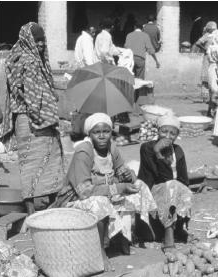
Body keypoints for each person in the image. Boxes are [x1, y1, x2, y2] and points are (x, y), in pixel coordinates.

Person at [52, 113, 157, 272]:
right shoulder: (83, 152)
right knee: (99, 203)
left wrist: (129, 176)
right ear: (89, 134)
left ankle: (124, 239)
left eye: (106, 132)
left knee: (140, 186)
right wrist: (120, 187)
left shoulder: (111, 147)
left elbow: (122, 173)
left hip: (105, 191)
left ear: (111, 132)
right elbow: (85, 192)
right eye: (97, 132)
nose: (102, 136)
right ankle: (100, 251)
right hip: (76, 199)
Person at [1, 22, 64, 215]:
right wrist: (46, 114)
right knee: (39, 163)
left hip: (27, 119)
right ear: (28, 40)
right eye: (37, 41)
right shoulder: (29, 61)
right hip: (34, 120)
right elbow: (32, 96)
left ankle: (39, 206)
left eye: (42, 40)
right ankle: (39, 207)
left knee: (32, 163)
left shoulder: (16, 57)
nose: (41, 45)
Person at [137, 115, 192, 247]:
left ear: (177, 135)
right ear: (158, 131)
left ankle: (178, 228)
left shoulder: (178, 151)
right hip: (152, 191)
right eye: (164, 131)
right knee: (171, 186)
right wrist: (158, 153)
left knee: (182, 189)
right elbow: (162, 177)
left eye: (172, 133)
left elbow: (183, 179)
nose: (167, 136)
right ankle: (169, 239)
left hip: (172, 193)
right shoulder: (147, 148)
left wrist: (184, 195)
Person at [195, 21, 218, 111]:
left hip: (213, 58)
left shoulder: (215, 36)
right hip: (207, 58)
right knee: (206, 77)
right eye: (214, 28)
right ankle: (206, 98)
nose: (215, 29)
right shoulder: (207, 35)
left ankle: (212, 96)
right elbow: (198, 43)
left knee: (213, 76)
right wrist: (205, 49)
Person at [206, 30, 218, 117]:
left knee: (211, 90)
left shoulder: (210, 47)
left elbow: (209, 58)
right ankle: (215, 110)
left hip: (211, 68)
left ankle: (210, 110)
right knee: (217, 89)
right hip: (217, 68)